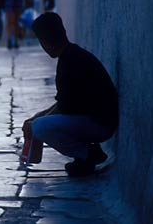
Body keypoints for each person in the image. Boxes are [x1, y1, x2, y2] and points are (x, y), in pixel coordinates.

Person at [22, 12, 118, 177]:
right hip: (96, 120)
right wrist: (39, 115)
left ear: (45, 42)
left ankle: (89, 154)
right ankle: (83, 159)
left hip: (101, 125)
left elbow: (65, 107)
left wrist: (36, 123)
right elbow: (64, 102)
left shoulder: (70, 62)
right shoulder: (72, 55)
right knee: (39, 122)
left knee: (40, 127)